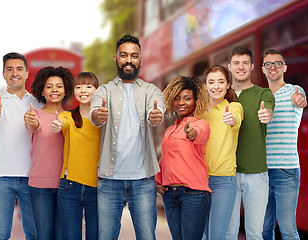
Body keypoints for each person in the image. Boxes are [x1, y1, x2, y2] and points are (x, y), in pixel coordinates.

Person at [90, 35, 165, 240]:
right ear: (116, 59)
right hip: (109, 179)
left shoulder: (152, 90)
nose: (129, 60)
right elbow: (94, 113)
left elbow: (157, 110)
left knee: (147, 236)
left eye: (134, 56)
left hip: (143, 180)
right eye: (124, 55)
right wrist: (98, 115)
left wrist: (155, 115)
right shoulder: (103, 90)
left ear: (140, 60)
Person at [0, 52, 42, 240]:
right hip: (1, 177)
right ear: (3, 74)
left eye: (19, 69)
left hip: (32, 178)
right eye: (9, 69)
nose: (14, 73)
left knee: (34, 233)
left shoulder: (38, 103)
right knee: (0, 234)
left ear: (26, 73)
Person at [225, 46, 275, 240]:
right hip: (227, 174)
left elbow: (269, 108)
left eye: (245, 63)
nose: (241, 67)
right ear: (229, 66)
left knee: (255, 233)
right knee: (229, 232)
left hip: (256, 173)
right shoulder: (221, 94)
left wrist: (267, 114)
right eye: (236, 63)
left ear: (252, 66)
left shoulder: (263, 94)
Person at [155, 76, 211, 240]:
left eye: (187, 98)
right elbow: (164, 160)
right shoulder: (170, 130)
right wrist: (158, 181)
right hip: (170, 195)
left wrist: (192, 133)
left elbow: (199, 135)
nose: (181, 102)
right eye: (177, 98)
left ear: (196, 101)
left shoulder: (200, 125)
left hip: (193, 194)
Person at [261, 49, 307, 240]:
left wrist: (300, 100)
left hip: (286, 169)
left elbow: (300, 100)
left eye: (277, 63)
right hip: (261, 171)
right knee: (264, 229)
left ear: (285, 67)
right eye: (268, 64)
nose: (273, 67)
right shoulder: (260, 96)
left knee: (288, 229)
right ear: (263, 70)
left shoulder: (294, 91)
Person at [24, 66, 74, 240]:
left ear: (65, 90)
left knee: (62, 236)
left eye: (59, 86)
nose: (54, 90)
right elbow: (33, 125)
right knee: (44, 236)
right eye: (49, 86)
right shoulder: (34, 114)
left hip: (66, 186)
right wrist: (31, 122)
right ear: (42, 91)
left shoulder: (72, 117)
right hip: (39, 186)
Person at [51, 72, 101, 239]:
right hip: (70, 186)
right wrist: (57, 124)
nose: (83, 90)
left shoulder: (102, 121)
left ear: (97, 90)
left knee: (95, 235)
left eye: (88, 86)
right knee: (71, 236)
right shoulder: (68, 116)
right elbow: (62, 123)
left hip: (98, 187)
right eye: (78, 87)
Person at [201, 65, 243, 240]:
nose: (216, 86)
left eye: (221, 82)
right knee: (202, 235)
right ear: (205, 86)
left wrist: (231, 119)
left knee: (216, 235)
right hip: (198, 181)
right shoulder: (199, 112)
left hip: (223, 181)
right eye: (211, 82)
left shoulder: (234, 108)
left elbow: (236, 119)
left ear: (227, 85)